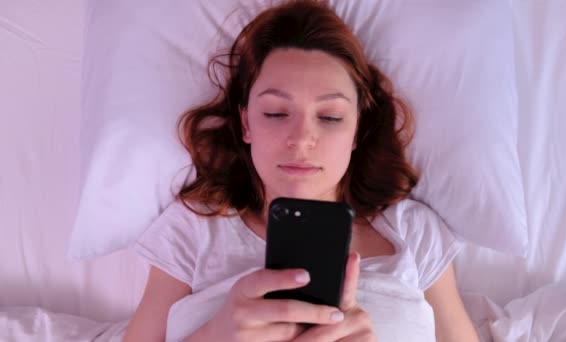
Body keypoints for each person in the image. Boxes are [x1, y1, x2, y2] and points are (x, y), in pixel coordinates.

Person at [124, 0, 479, 341]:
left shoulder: (412, 233)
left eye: (330, 117)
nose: (301, 139)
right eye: (276, 113)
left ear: (356, 130)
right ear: (246, 124)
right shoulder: (193, 232)